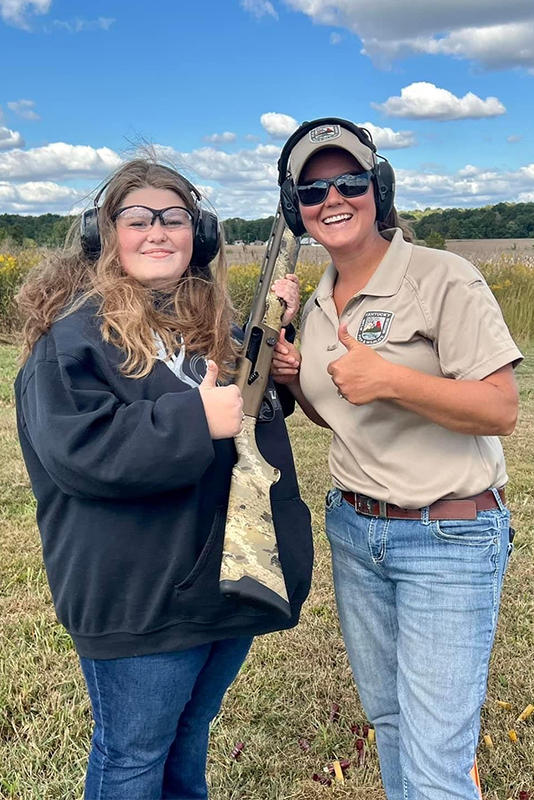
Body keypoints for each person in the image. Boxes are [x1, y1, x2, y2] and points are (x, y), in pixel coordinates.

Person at [14, 157, 313, 800]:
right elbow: (78, 451)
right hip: (138, 595)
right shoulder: (72, 340)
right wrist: (193, 418)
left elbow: (242, 414)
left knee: (187, 741)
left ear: (197, 235)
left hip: (223, 582)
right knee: (132, 758)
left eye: (174, 218)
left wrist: (274, 375)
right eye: (137, 218)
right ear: (106, 235)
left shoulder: (214, 330)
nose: (158, 232)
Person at [272, 117, 522, 800]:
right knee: (391, 726)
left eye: (349, 181)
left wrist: (393, 380)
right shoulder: (319, 301)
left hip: (449, 535)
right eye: (313, 189)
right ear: (296, 208)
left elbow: (500, 408)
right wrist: (298, 380)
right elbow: (342, 413)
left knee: (438, 759)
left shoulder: (444, 277)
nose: (333, 199)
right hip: (357, 533)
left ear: (376, 188)